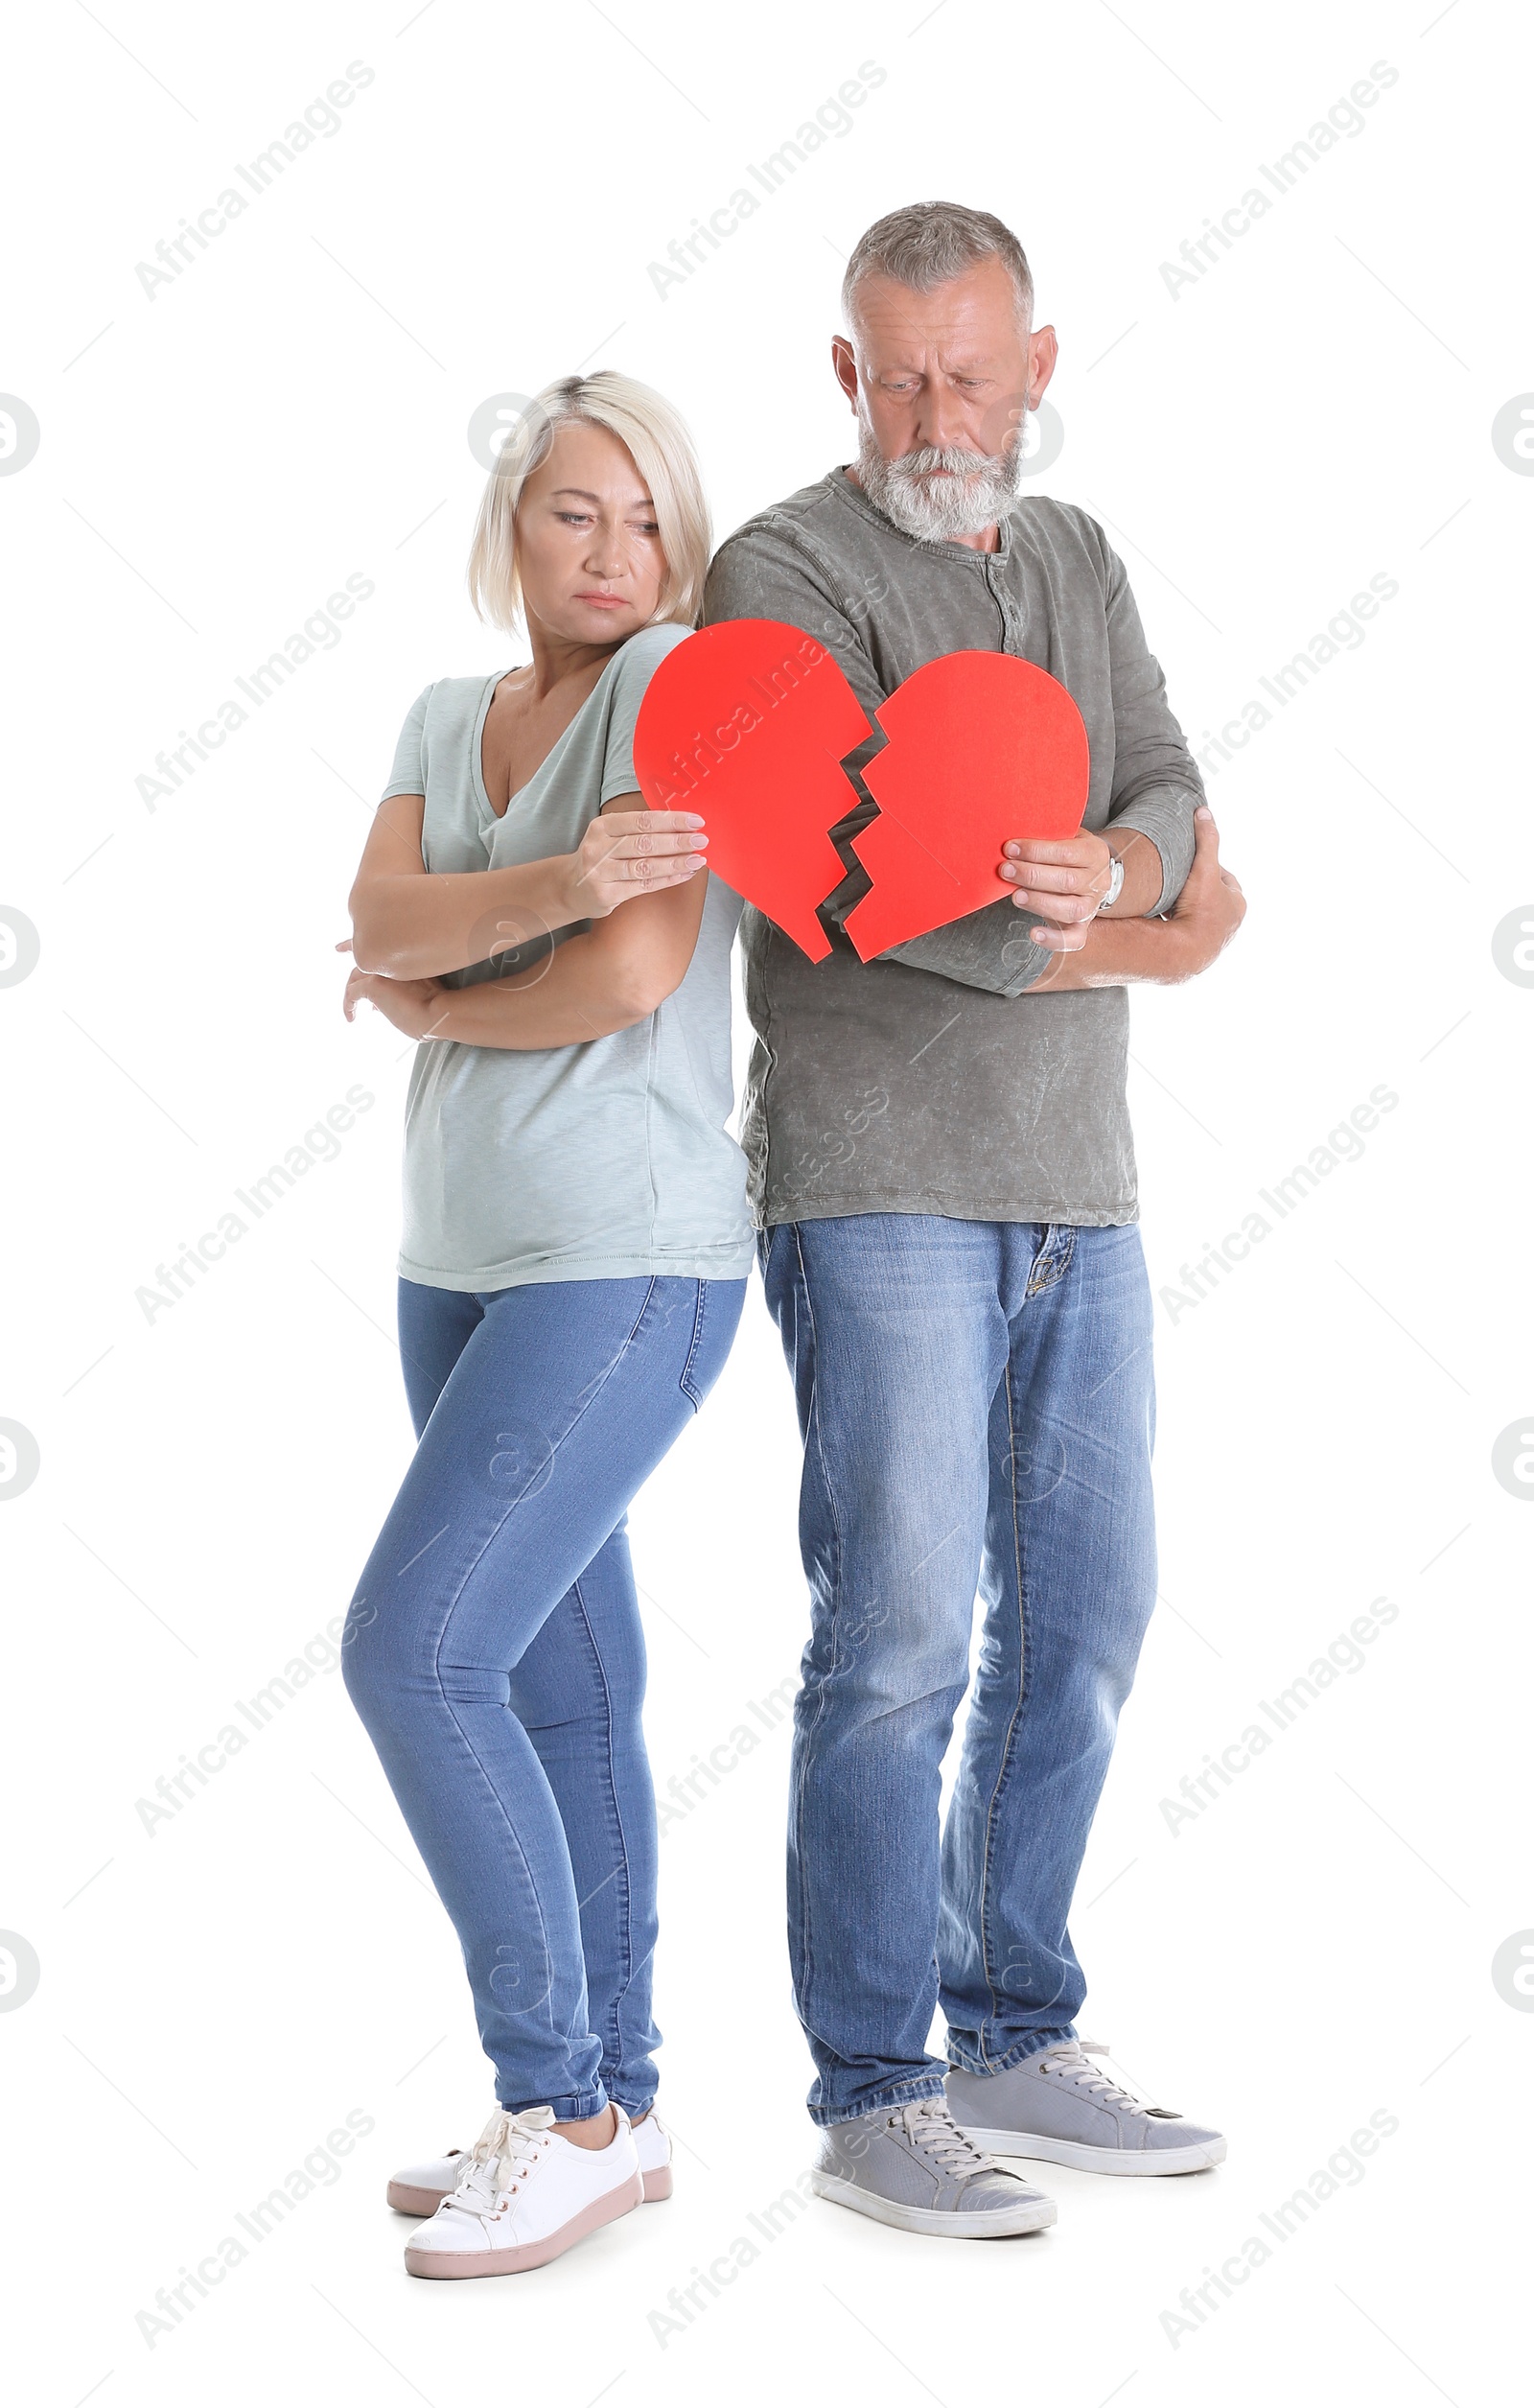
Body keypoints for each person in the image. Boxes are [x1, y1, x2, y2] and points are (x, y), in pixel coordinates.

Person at [703, 200, 1247, 2238]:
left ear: (1037, 361)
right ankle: (871, 2086)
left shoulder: (1076, 554)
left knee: (1085, 1617)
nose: (940, 408)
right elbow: (836, 893)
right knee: (900, 1636)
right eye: (900, 372)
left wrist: (1117, 859)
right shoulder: (785, 571)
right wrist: (1144, 929)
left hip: (1074, 1187)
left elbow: (1178, 789)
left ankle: (1015, 2027)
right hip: (875, 1184)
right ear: (846, 373)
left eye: (973, 368)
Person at [338, 371, 753, 2279]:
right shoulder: (448, 711)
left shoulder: (683, 689)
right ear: (513, 525)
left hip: (621, 1257)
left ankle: (556, 2100)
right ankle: (622, 2103)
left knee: (415, 1653)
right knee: (561, 1686)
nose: (611, 552)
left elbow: (634, 965)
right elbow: (374, 913)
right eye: (573, 513)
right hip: (461, 1255)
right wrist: (523, 899)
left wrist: (434, 985)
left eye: (644, 517)